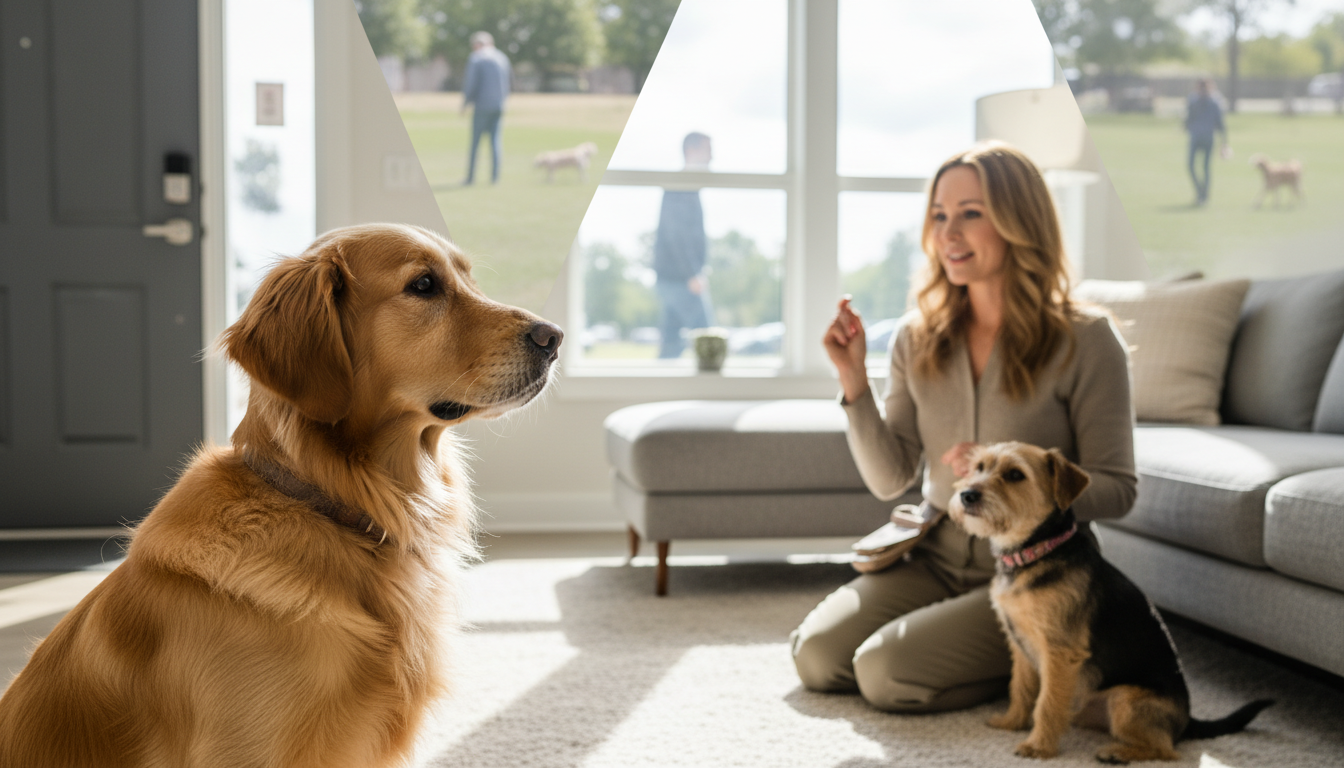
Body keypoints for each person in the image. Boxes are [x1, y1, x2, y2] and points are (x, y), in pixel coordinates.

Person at [791, 142, 1137, 713]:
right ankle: (1001, 658)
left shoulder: (1088, 339)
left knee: (885, 673)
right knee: (817, 656)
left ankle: (1039, 668)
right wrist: (854, 380)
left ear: (1019, 221)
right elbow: (891, 478)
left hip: (1033, 577)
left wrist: (1014, 480)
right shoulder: (915, 336)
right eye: (939, 215)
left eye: (971, 213)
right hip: (933, 556)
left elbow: (1120, 489)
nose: (949, 232)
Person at [653, 132, 714, 359]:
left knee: (670, 342)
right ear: (691, 151)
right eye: (708, 151)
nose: (712, 157)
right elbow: (675, 233)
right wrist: (693, 274)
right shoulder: (680, 186)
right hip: (679, 277)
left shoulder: (689, 187)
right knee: (708, 337)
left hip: (673, 276)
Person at [461, 31, 511, 185]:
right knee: (495, 141)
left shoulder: (477, 58)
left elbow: (471, 83)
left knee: (475, 142)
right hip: (499, 105)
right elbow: (509, 81)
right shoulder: (502, 57)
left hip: (482, 105)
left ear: (477, 44)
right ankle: (494, 178)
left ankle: (470, 178)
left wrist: (465, 103)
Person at [1185, 78, 1227, 206]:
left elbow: (1220, 123)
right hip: (1195, 136)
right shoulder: (1193, 100)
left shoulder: (1215, 102)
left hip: (1208, 137)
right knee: (1190, 166)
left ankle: (1204, 196)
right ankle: (1200, 191)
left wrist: (1224, 142)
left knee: (1206, 168)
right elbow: (1189, 117)